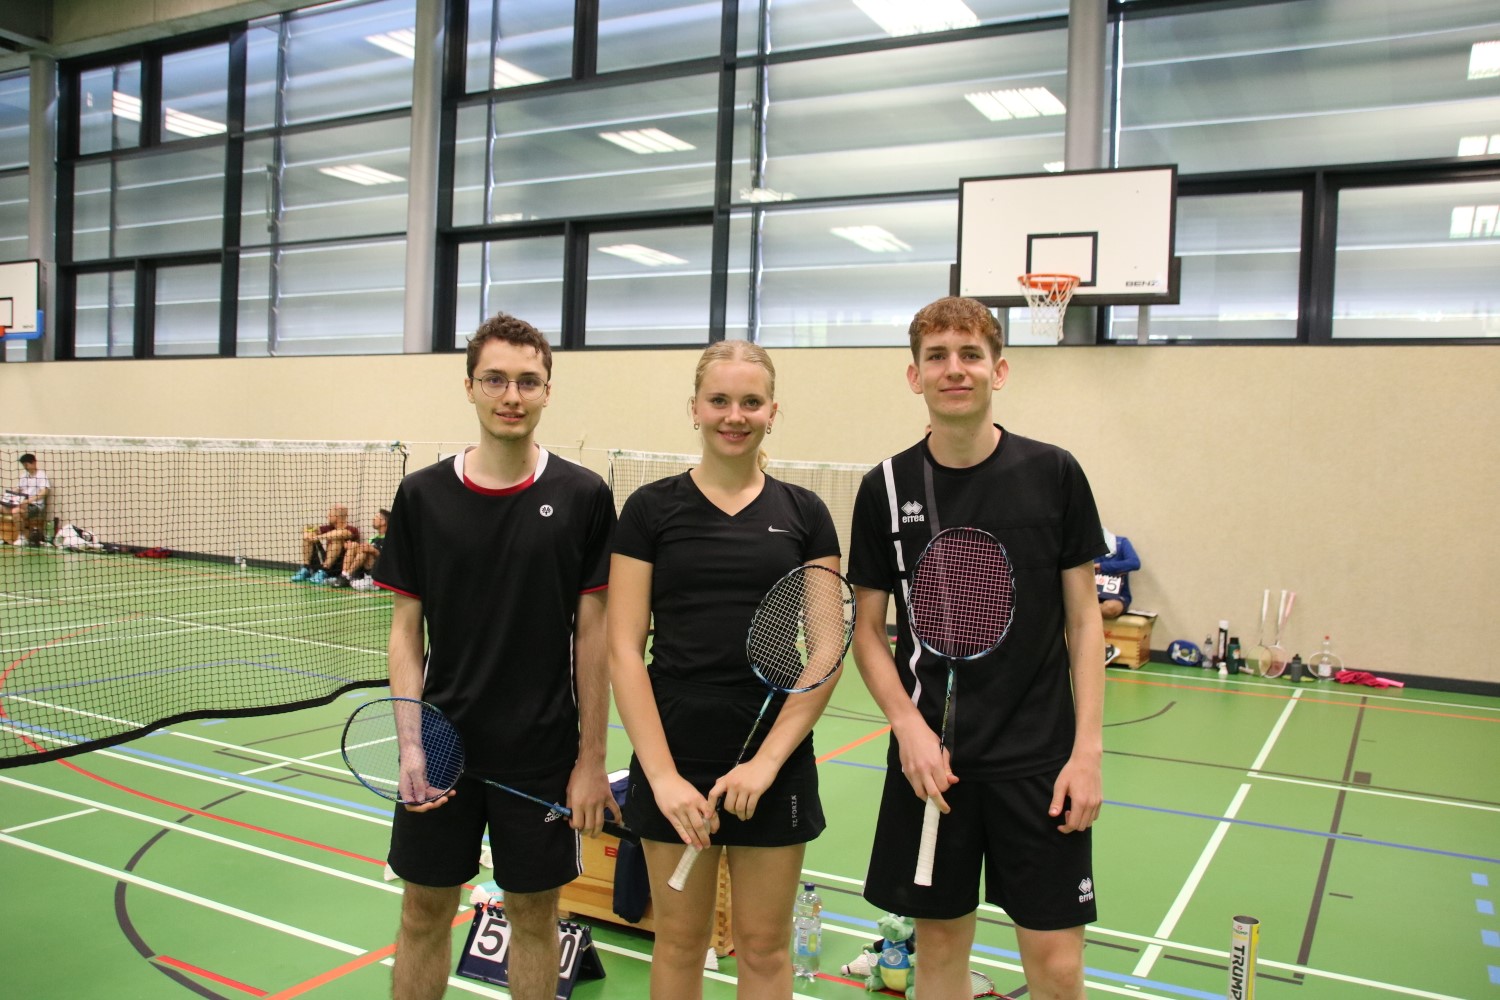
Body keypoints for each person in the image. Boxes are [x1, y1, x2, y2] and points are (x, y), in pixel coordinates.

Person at [847, 296, 1106, 1000]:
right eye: (937, 357)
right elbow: (868, 629)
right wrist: (907, 727)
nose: (954, 369)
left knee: (1057, 966)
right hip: (935, 766)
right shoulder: (885, 488)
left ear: (1001, 370)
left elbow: (1085, 621)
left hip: (1042, 763)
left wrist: (1086, 753)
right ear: (915, 376)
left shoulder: (1054, 473)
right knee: (938, 956)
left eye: (970, 355)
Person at [371, 313, 619, 1000]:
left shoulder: (582, 496)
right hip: (441, 748)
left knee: (535, 919)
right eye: (496, 380)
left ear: (547, 391)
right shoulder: (422, 495)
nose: (512, 396)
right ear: (470, 386)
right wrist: (410, 744)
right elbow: (405, 632)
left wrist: (591, 760)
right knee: (422, 913)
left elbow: (593, 638)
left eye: (528, 381)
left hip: (540, 754)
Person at [608, 340, 843, 1000]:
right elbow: (624, 648)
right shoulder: (650, 510)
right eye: (719, 400)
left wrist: (765, 764)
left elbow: (826, 650)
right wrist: (662, 777)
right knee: (680, 943)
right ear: (694, 408)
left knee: (763, 946)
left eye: (750, 402)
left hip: (774, 754)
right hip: (673, 749)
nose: (734, 416)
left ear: (772, 411)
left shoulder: (805, 514)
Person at [291, 504, 360, 583]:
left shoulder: (352, 529)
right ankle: (306, 568)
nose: (327, 517)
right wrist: (307, 532)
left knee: (336, 540)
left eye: (330, 515)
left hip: (339, 567)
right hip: (324, 561)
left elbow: (340, 533)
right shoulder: (328, 528)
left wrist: (318, 537)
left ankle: (324, 571)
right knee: (308, 538)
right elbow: (309, 529)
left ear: (337, 517)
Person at [329, 508, 388, 590]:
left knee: (365, 550)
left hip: (380, 573)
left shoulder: (389, 539)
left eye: (376, 517)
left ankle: (367, 580)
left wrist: (373, 550)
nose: (373, 519)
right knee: (354, 545)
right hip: (366, 569)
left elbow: (387, 559)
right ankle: (345, 575)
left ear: (383, 522)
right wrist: (351, 546)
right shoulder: (372, 539)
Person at [5, 453, 51, 546]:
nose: (25, 467)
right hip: (22, 504)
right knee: (2, 507)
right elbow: (18, 489)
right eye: (24, 465)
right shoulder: (24, 476)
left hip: (35, 506)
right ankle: (4, 536)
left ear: (34, 462)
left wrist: (29, 501)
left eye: (26, 464)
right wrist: (8, 496)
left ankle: (22, 537)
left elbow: (44, 492)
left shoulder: (41, 475)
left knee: (15, 511)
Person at [1095, 529, 1139, 620]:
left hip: (1117, 596)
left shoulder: (1121, 542)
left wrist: (1101, 566)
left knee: (1109, 609)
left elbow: (1134, 563)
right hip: (1090, 596)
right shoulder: (1083, 548)